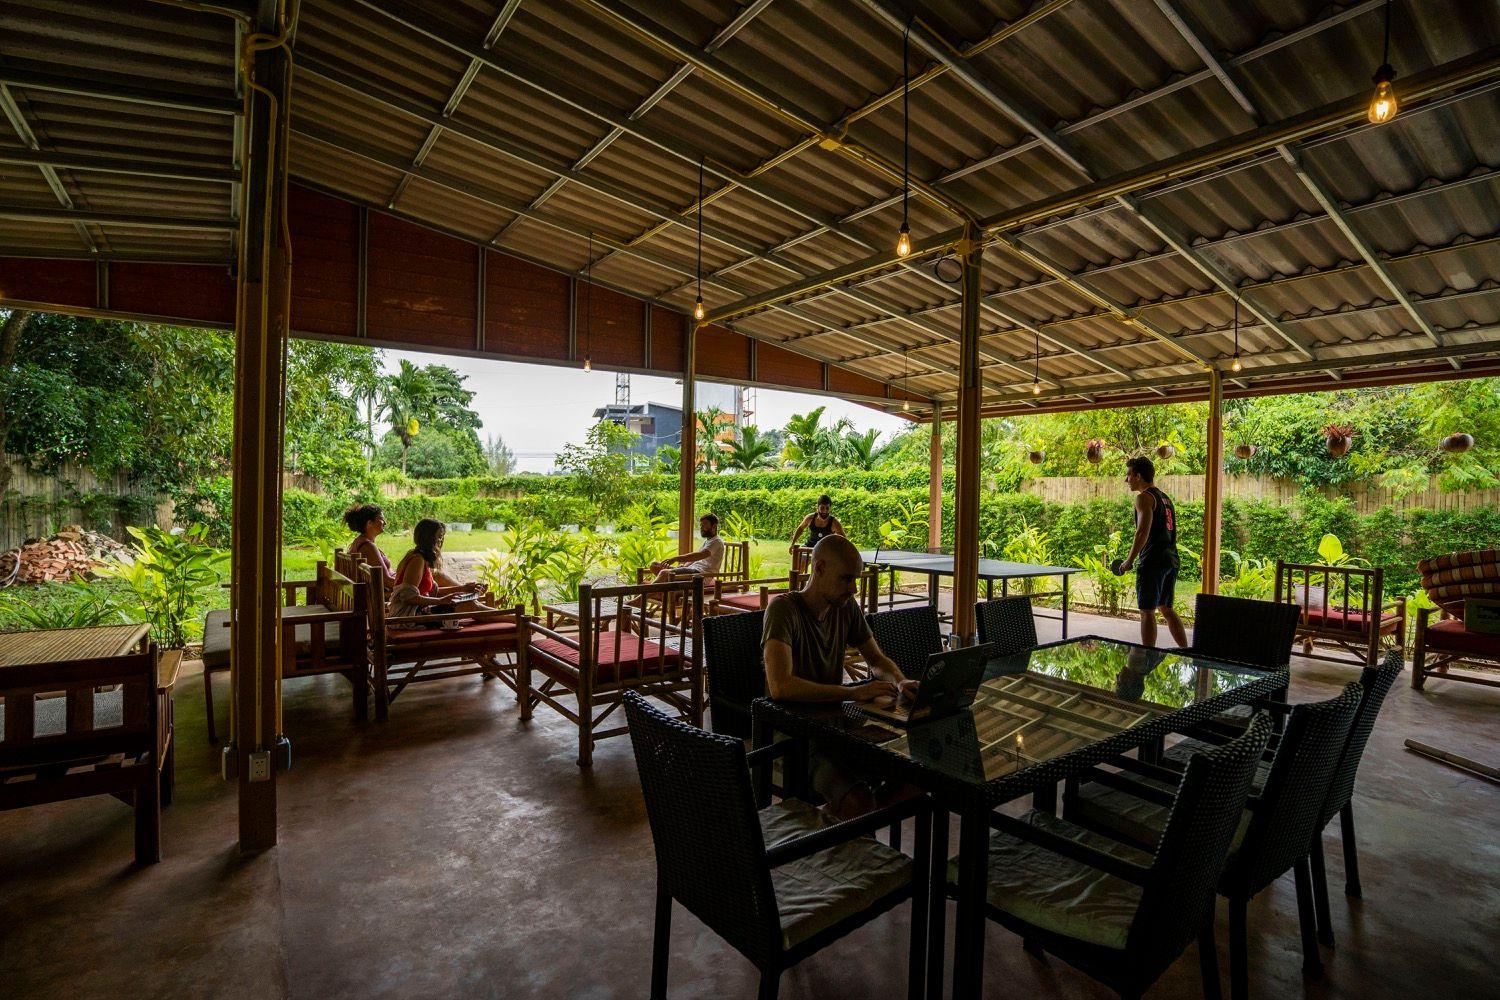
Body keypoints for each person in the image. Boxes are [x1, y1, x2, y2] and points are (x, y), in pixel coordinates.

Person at [762, 535, 918, 820]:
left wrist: (900, 680)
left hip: (837, 727)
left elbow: (876, 659)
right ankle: (850, 824)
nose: (853, 589)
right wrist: (852, 693)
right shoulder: (783, 610)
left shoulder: (845, 608)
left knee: (916, 776)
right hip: (796, 737)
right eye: (846, 579)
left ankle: (846, 826)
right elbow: (780, 687)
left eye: (855, 580)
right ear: (819, 568)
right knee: (858, 802)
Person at [1115, 456, 1188, 648]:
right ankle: (1187, 651)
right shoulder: (1164, 497)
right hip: (1170, 559)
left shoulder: (1144, 498)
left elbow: (1142, 533)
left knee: (1147, 611)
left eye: (1129, 474)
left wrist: (1129, 561)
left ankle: (1147, 655)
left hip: (1153, 562)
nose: (1126, 479)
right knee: (1166, 608)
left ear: (1138, 476)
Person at [388, 519, 491, 625]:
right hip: (407, 617)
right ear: (428, 537)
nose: (440, 540)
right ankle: (508, 620)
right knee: (469, 606)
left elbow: (434, 592)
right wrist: (441, 601)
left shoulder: (419, 556)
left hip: (416, 612)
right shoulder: (417, 560)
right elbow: (408, 597)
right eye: (439, 536)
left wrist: (463, 588)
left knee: (468, 603)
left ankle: (506, 618)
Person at [647, 513, 725, 584]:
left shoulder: (717, 542)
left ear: (714, 526)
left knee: (664, 573)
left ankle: (641, 598)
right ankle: (666, 588)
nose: (701, 527)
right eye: (701, 525)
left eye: (704, 524)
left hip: (699, 575)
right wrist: (684, 566)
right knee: (654, 566)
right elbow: (695, 559)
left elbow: (700, 555)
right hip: (691, 570)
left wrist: (675, 559)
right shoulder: (708, 541)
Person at [344, 503, 398, 593]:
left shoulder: (360, 541)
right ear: (369, 523)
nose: (385, 522)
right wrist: (411, 584)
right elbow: (387, 581)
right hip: (384, 595)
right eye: (381, 519)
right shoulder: (367, 546)